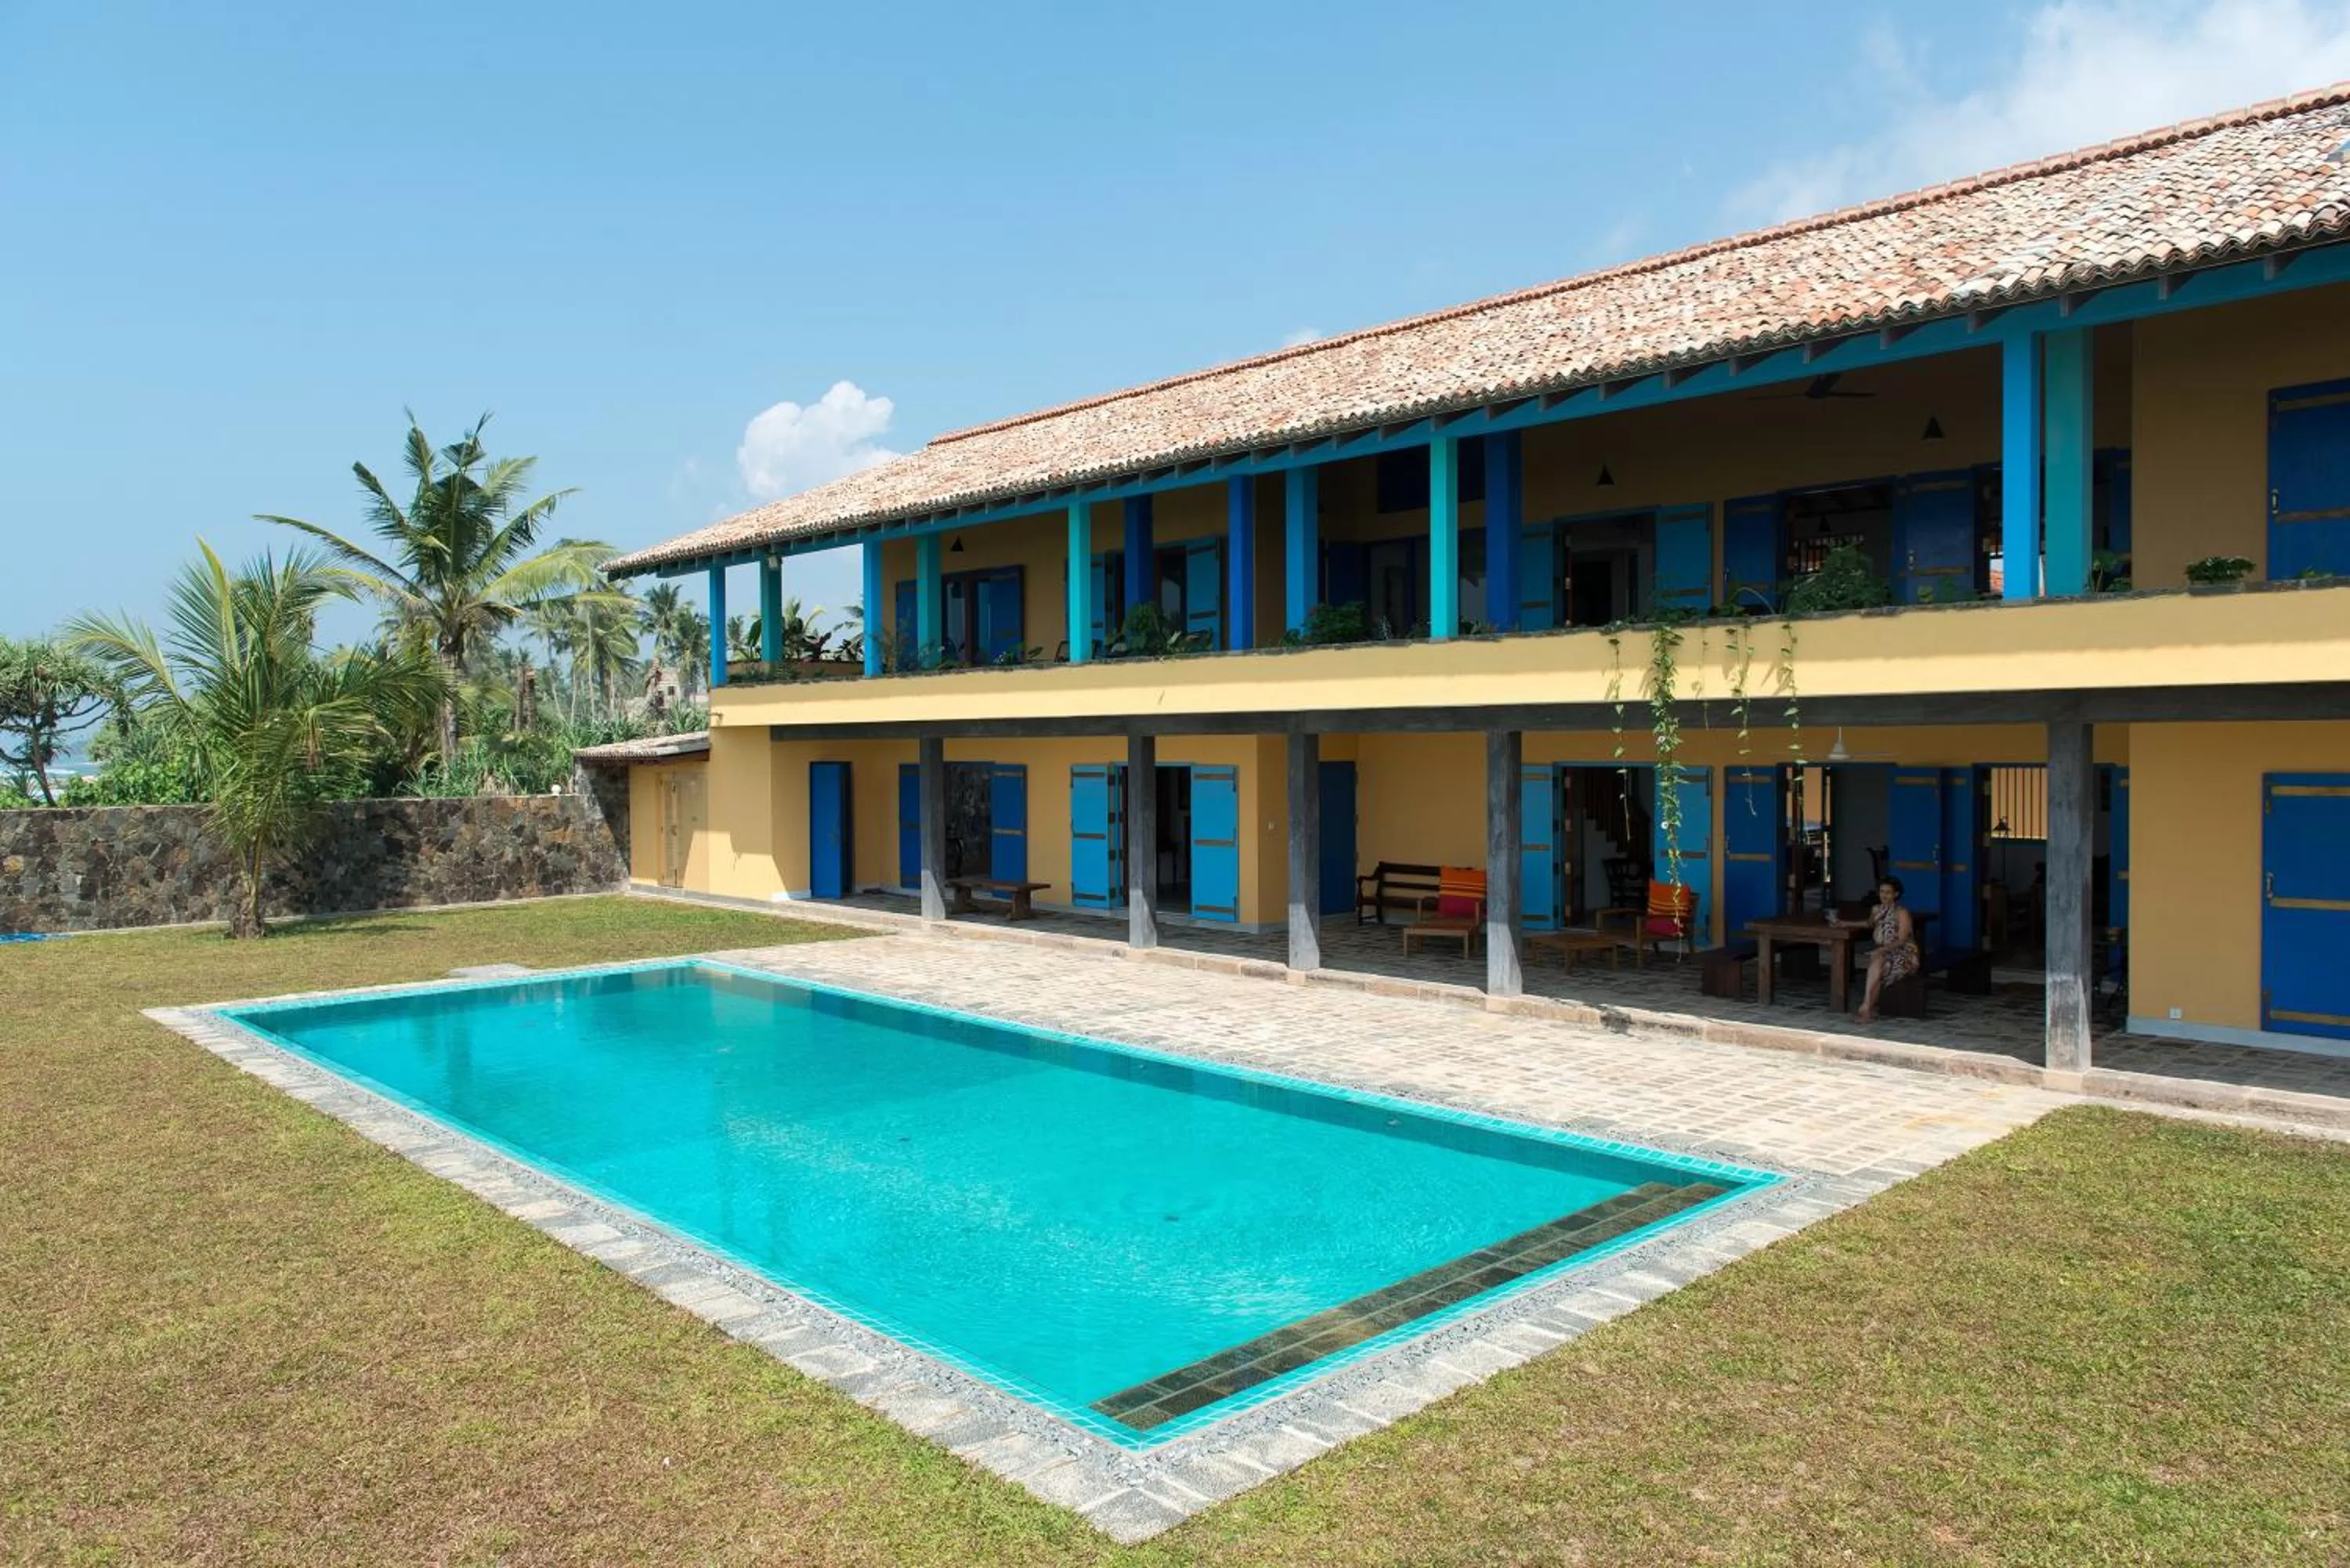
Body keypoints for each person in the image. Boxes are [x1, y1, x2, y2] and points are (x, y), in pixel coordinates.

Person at [1838, 876, 1918, 1023]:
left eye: (1888, 892)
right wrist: (1844, 923)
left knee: (1879, 963)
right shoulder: (1876, 910)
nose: (1884, 895)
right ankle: (1867, 1008)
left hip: (1903, 953)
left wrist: (1881, 951)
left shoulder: (1902, 913)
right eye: (1882, 892)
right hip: (1884, 953)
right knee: (1879, 964)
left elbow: (1901, 940)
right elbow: (1869, 924)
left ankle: (1866, 1008)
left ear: (1896, 894)